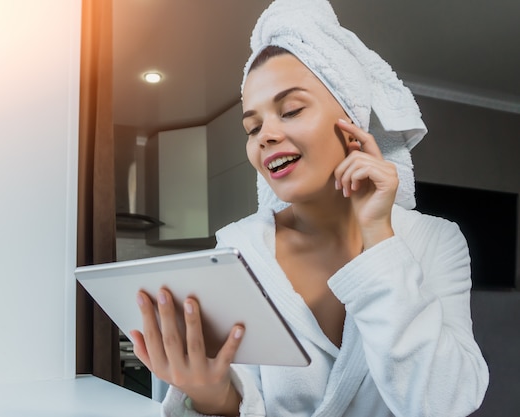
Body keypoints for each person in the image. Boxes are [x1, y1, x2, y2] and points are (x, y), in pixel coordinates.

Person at [130, 0, 489, 416]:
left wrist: (379, 238)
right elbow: (247, 398)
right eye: (253, 126)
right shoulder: (240, 248)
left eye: (291, 110)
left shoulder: (434, 242)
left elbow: (447, 403)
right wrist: (212, 395)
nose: (266, 135)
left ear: (352, 123)